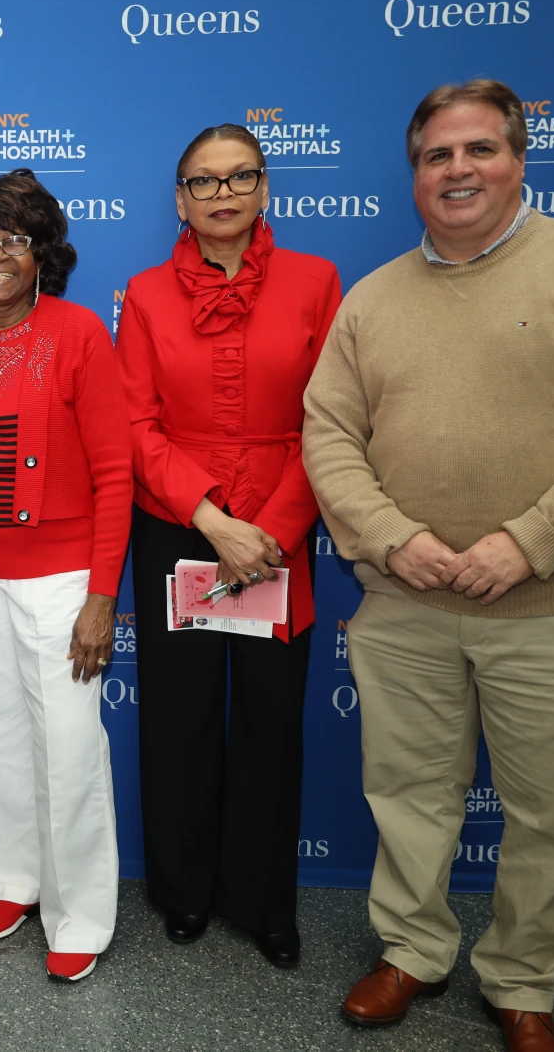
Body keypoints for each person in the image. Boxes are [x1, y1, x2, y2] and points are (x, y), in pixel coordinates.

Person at [303, 80, 554, 1052]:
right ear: (414, 172)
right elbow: (329, 436)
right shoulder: (372, 299)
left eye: (479, 150)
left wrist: (530, 540)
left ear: (517, 158)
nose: (457, 170)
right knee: (408, 793)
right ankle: (412, 950)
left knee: (552, 809)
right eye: (436, 156)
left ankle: (524, 980)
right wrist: (392, 538)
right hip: (405, 601)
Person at [113, 125, 342, 968]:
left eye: (238, 176)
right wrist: (212, 521)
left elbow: (333, 422)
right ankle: (184, 891)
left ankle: (263, 901)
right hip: (179, 531)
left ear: (264, 188)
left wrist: (271, 533)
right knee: (181, 721)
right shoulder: (142, 294)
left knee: (270, 725)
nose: (221, 194)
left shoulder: (317, 282)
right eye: (202, 182)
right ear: (180, 199)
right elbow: (134, 424)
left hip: (282, 530)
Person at [0, 168, 131, 983]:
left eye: (15, 238)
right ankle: (13, 880)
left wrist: (101, 597)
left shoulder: (78, 333)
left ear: (43, 252)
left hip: (62, 581)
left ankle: (78, 913)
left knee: (70, 746)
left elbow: (116, 474)